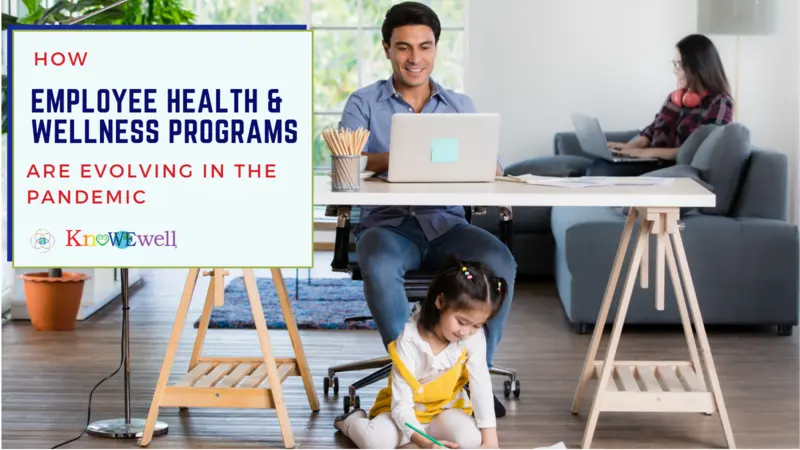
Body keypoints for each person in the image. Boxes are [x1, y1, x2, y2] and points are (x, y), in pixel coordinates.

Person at [339, 1, 517, 417]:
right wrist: (400, 155)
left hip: (447, 225)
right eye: (403, 47)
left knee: (500, 262)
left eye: (424, 46)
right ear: (386, 49)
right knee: (379, 264)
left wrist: (486, 164)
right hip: (388, 227)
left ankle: (476, 377)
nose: (414, 58)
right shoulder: (363, 103)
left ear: (436, 48)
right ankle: (410, 376)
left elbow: (490, 167)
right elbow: (347, 160)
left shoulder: (459, 105)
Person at [334, 259, 507, 449]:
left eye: (477, 325)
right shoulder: (409, 341)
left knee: (472, 440)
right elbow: (401, 407)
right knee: (375, 443)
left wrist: (491, 442)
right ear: (440, 301)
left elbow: (480, 384)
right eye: (461, 321)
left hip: (444, 411)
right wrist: (425, 443)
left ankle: (421, 437)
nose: (465, 332)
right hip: (402, 415)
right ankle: (351, 422)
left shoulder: (472, 337)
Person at [587, 33, 735, 177]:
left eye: (679, 65)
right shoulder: (676, 98)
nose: (674, 71)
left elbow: (699, 151)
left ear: (698, 67)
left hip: (668, 166)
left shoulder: (720, 103)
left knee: (601, 171)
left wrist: (642, 153)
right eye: (674, 64)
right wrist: (628, 148)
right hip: (649, 159)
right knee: (599, 164)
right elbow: (650, 132)